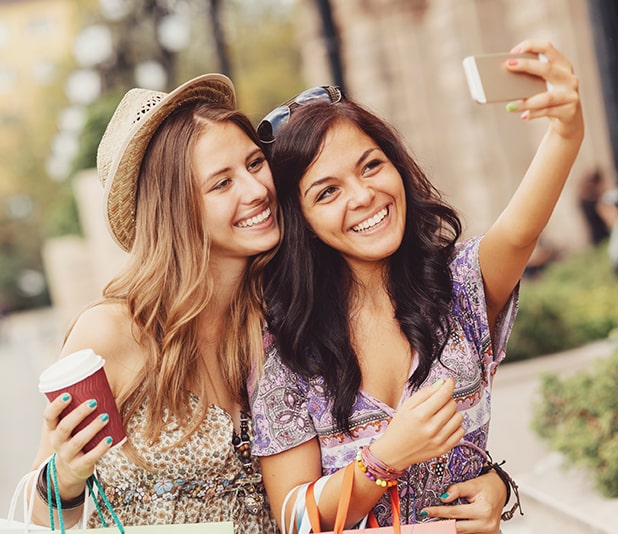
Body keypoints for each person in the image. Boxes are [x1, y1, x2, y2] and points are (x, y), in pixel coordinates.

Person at [250, 39, 583, 534]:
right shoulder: (290, 351)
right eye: (328, 191)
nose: (364, 196)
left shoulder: (460, 287)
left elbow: (520, 231)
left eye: (371, 165)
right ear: (303, 222)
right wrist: (385, 458)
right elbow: (293, 519)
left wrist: (565, 130)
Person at [27, 74, 280, 533]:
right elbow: (37, 522)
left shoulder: (273, 319)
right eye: (222, 183)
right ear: (176, 208)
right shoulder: (111, 331)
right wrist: (63, 479)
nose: (256, 189)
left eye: (255, 163)